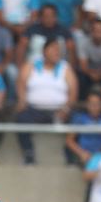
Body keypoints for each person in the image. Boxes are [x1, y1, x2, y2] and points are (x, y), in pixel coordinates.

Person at [16, 38, 78, 166]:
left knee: (76, 119)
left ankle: (70, 154)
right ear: (44, 51)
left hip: (59, 111)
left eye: (58, 50)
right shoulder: (31, 65)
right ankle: (29, 153)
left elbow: (73, 91)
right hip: (35, 110)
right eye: (53, 49)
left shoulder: (65, 68)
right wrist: (22, 101)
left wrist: (66, 109)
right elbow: (21, 84)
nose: (57, 52)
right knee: (21, 118)